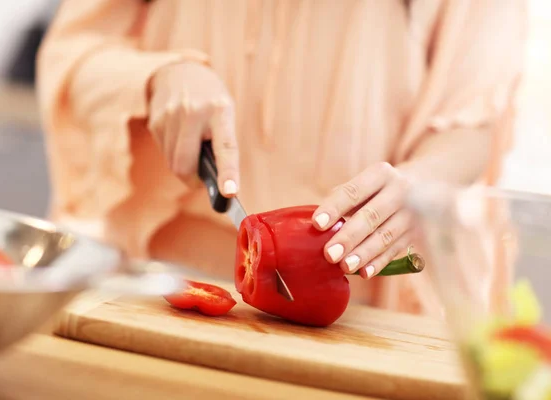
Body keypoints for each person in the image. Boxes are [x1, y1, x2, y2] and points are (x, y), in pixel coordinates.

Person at [37, 0, 526, 317]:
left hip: (365, 315)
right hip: (154, 287)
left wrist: (420, 184)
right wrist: (155, 76)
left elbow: (474, 118)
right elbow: (72, 55)